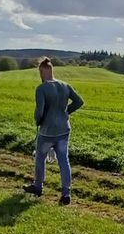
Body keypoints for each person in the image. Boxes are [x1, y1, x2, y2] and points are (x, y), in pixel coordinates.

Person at [23, 57, 84, 205]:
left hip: (47, 132)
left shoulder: (42, 88)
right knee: (64, 160)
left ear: (42, 71)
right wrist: (66, 113)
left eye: (40, 72)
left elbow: (40, 110)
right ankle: (66, 193)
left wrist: (38, 121)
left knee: (40, 158)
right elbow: (79, 102)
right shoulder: (65, 85)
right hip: (64, 130)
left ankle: (38, 186)